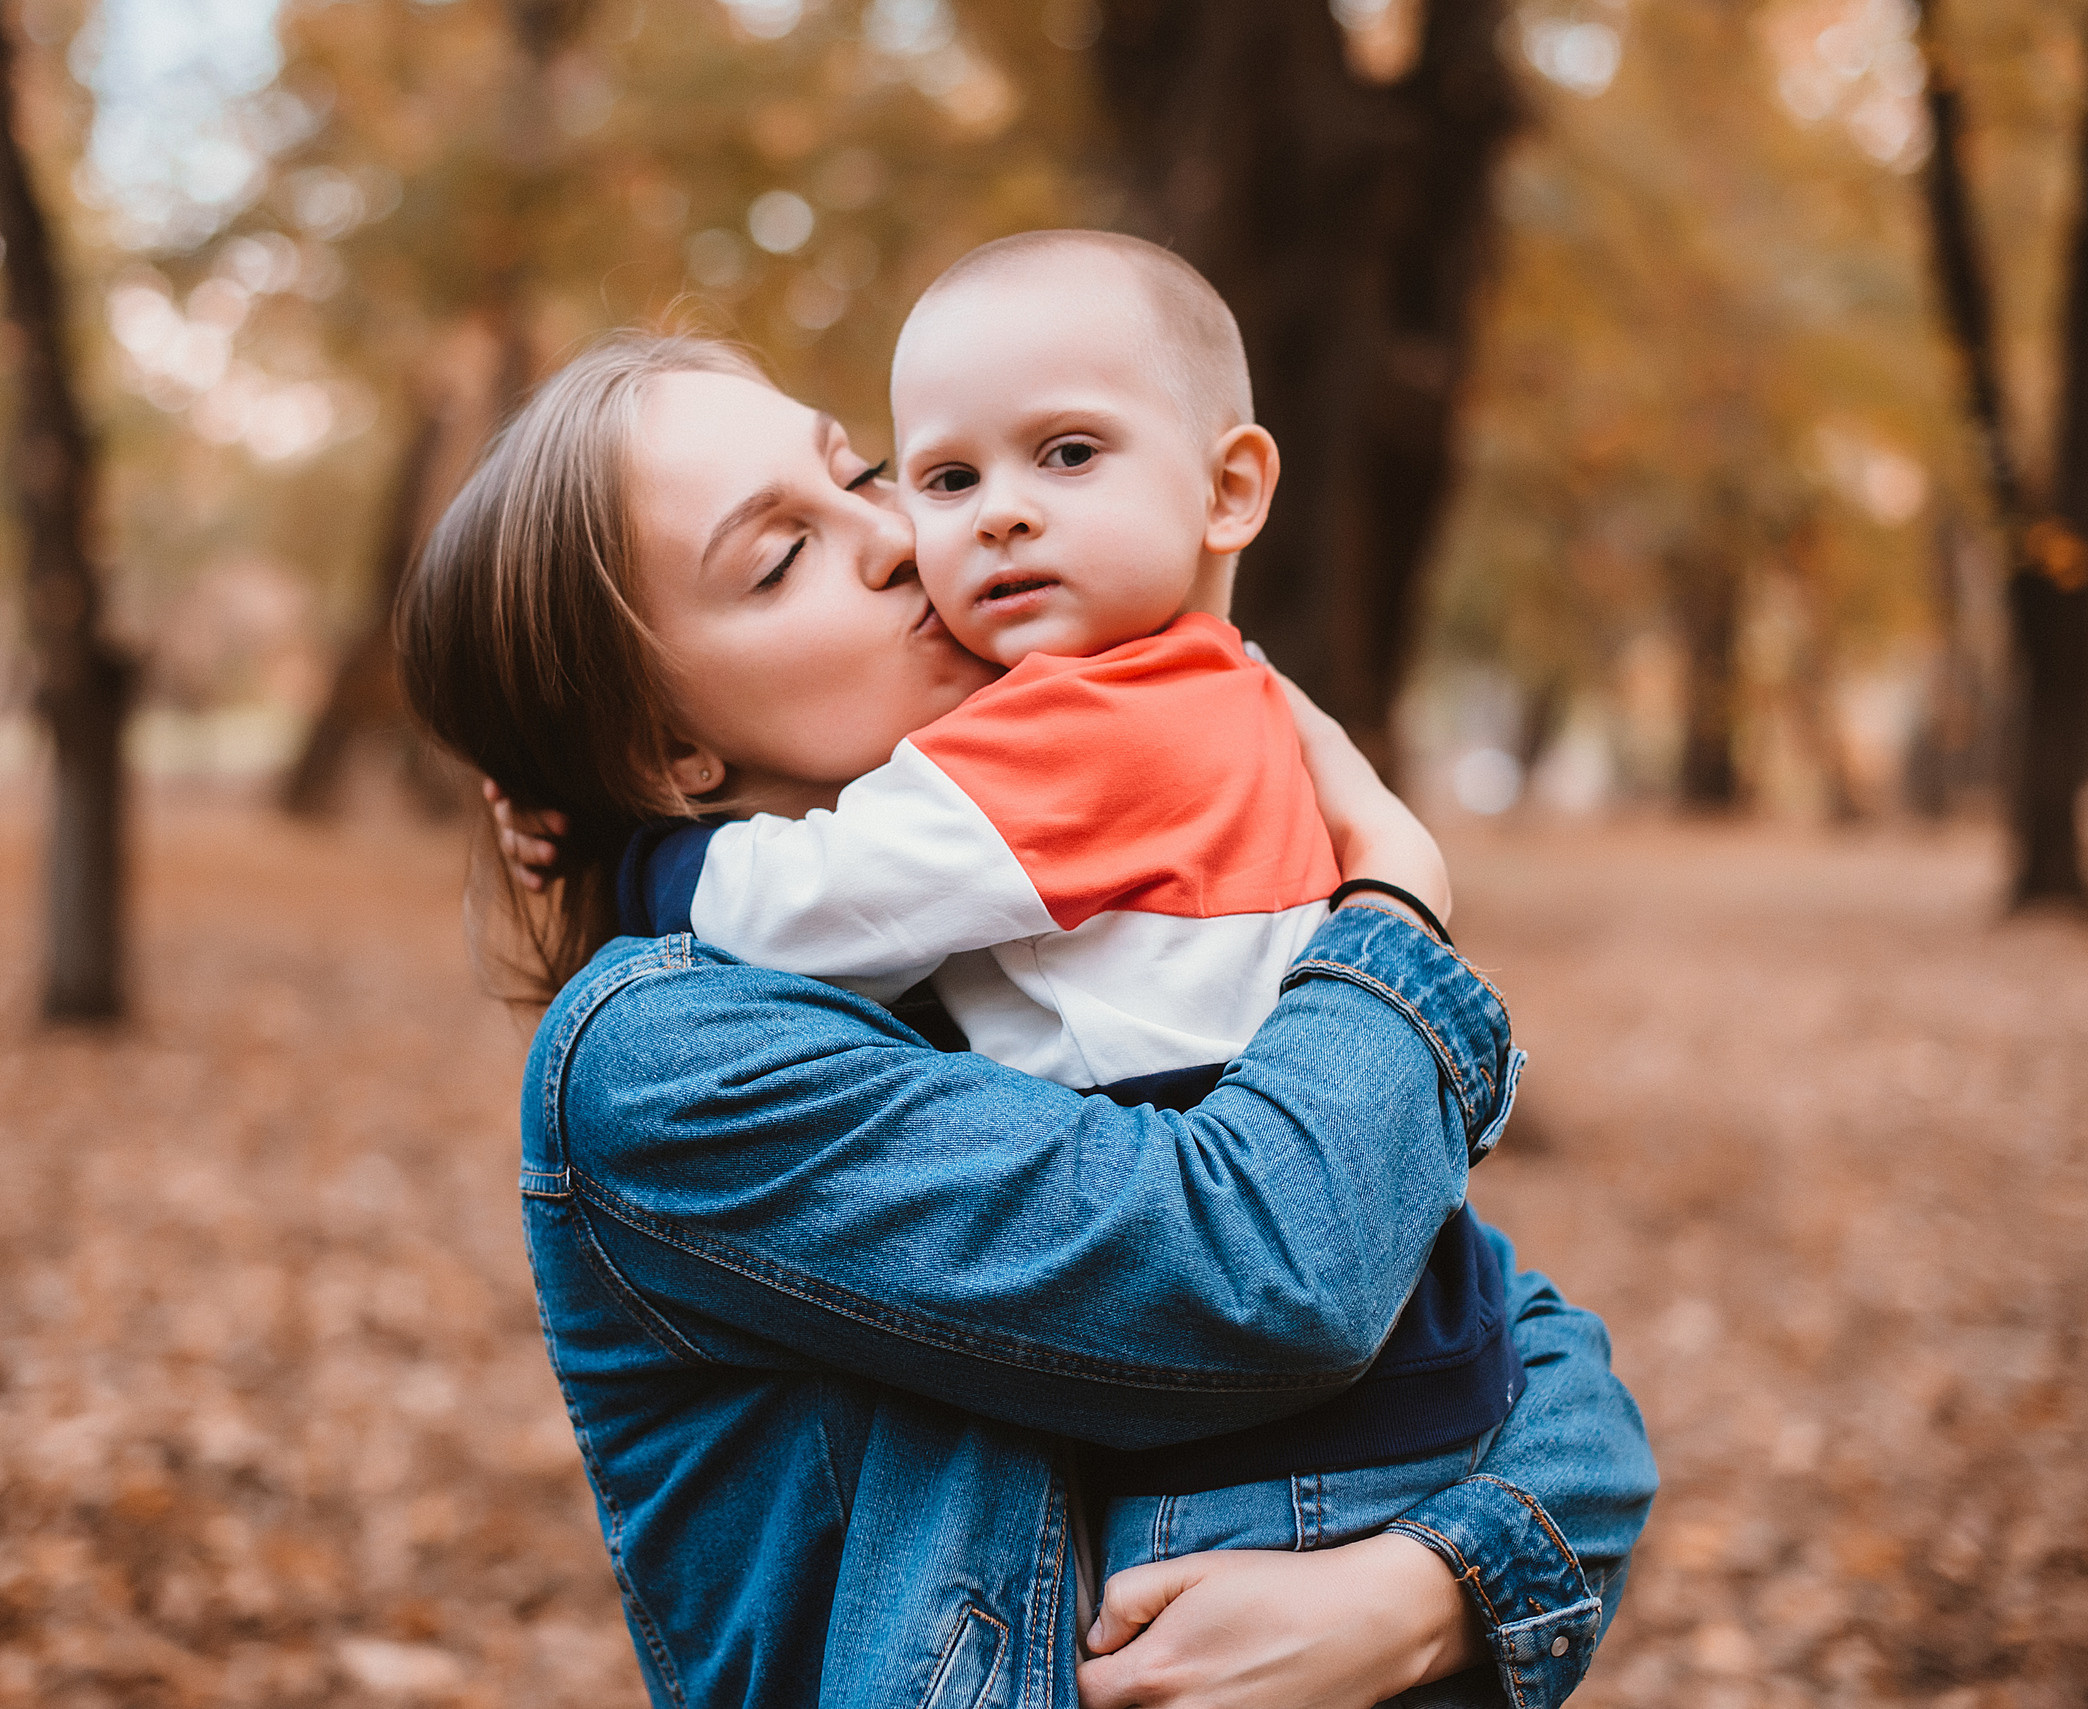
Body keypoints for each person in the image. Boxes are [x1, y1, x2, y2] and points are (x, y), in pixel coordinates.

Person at [399, 330, 1656, 1708]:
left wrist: (1420, 1596)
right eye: (778, 558)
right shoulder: (668, 1059)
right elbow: (1271, 1270)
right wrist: (1395, 909)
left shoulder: (1059, 946)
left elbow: (1533, 1348)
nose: (897, 535)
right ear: (668, 754)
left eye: (866, 472)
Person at [607, 232, 1529, 1598]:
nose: (997, 515)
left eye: (1069, 454)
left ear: (1230, 489)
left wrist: (638, 860)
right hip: (1410, 1376)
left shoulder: (1077, 731)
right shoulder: (1226, 693)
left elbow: (796, 905)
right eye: (945, 475)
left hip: (1249, 1459)